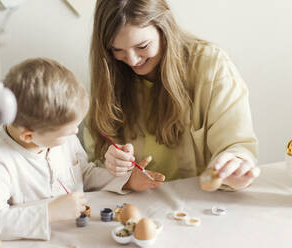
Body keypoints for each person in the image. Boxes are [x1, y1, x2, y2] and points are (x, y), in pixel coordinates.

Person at [86, 0, 260, 192]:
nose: (132, 60)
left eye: (142, 46)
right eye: (117, 50)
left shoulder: (212, 67)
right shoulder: (109, 73)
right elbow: (94, 157)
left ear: (164, 29)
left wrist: (235, 165)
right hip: (135, 202)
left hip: (198, 202)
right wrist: (110, 163)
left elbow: (236, 144)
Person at [0, 58, 136, 240]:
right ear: (28, 136)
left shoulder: (62, 136)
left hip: (79, 235)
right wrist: (49, 212)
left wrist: (126, 180)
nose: (75, 133)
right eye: (68, 132)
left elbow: (83, 174)